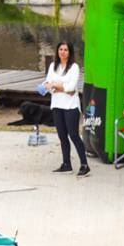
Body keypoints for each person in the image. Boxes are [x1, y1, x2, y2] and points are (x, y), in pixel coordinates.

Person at [44, 42, 90, 177]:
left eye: (66, 50)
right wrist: (59, 86)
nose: (63, 52)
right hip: (57, 105)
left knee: (73, 135)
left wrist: (56, 86)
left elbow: (71, 88)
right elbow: (47, 84)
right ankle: (66, 164)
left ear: (69, 52)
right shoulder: (53, 66)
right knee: (62, 136)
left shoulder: (74, 67)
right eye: (60, 49)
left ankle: (84, 165)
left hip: (70, 106)